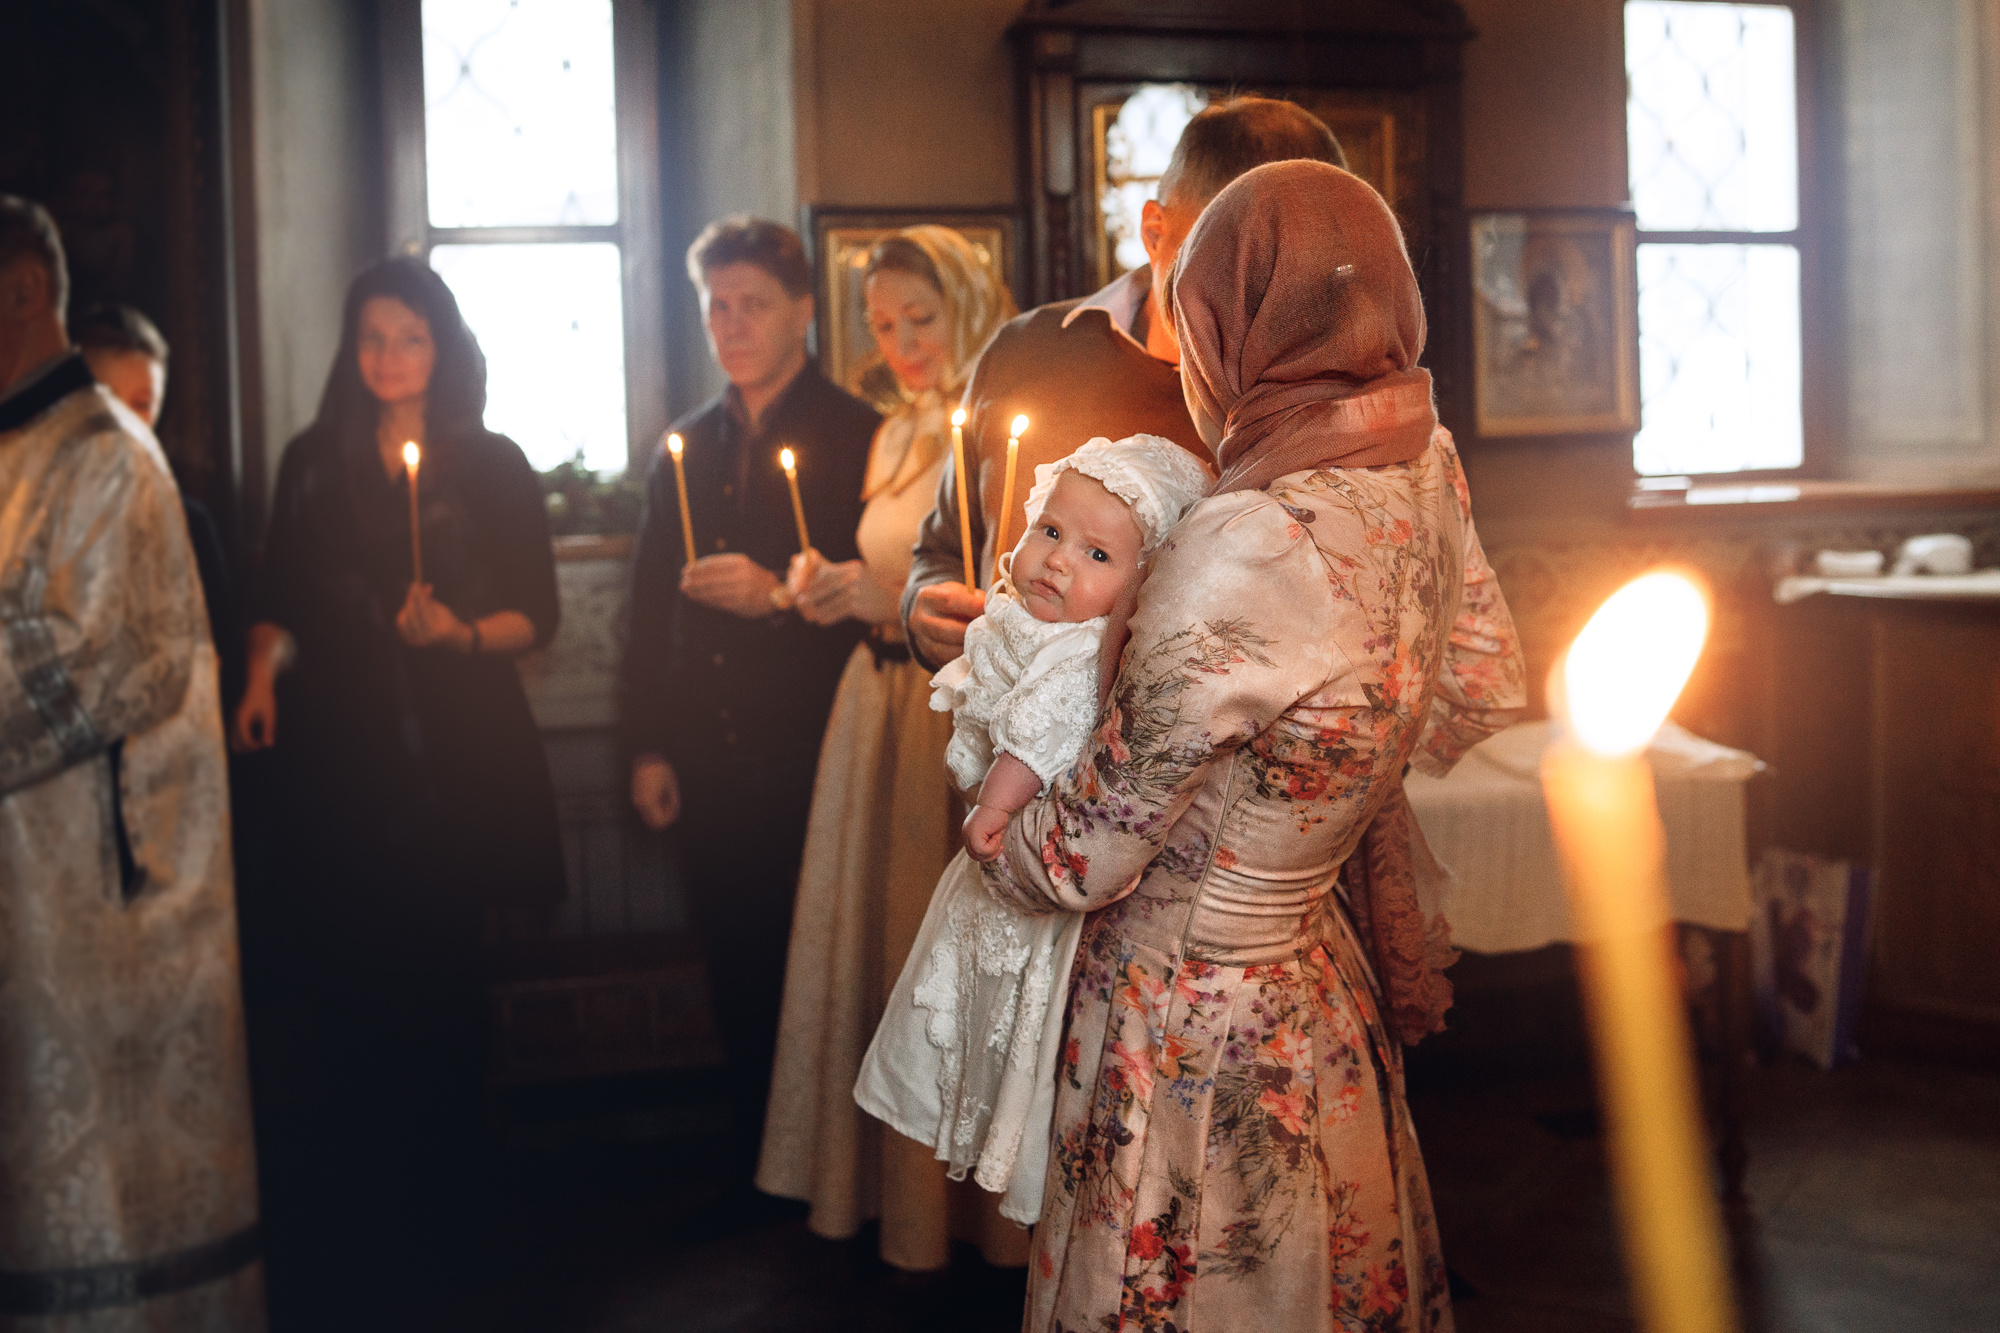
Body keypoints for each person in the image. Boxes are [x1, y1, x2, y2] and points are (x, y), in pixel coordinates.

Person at [982, 161, 1528, 1331]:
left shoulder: (1248, 534)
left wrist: (988, 805)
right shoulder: (1422, 468)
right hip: (1315, 988)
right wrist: (1316, 791)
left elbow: (1086, 854)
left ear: (1231, 327)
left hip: (1191, 1018)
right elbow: (1478, 686)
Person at [236, 256, 563, 1255]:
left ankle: (456, 1192)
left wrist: (458, 633)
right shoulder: (310, 458)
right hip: (342, 752)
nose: (388, 357)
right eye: (372, 338)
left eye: (409, 338)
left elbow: (537, 616)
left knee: (444, 972)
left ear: (443, 348)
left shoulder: (493, 460)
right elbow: (281, 599)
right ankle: (364, 1198)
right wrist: (257, 677)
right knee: (350, 971)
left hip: (456, 751)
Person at [0, 195, 264, 1327]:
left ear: (19, 292)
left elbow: (107, 666)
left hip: (100, 905)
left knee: (107, 1210)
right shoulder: (22, 442)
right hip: (32, 890)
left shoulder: (104, 450)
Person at [857, 435, 1211, 1228]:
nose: (1056, 562)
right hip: (1010, 849)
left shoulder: (1084, 652)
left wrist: (993, 805)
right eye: (1050, 531)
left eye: (1095, 553)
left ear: (1139, 585)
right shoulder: (1028, 621)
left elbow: (1037, 737)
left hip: (1026, 843)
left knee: (1012, 1010)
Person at [754, 227, 1022, 1268]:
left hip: (948, 718)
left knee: (952, 965)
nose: (903, 343)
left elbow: (1012, 587)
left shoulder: (1003, 427)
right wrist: (830, 590)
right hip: (868, 709)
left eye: (922, 318)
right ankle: (891, 1200)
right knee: (883, 957)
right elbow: (887, 573)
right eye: (881, 324)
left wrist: (895, 604)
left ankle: (977, 1224)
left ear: (968, 303)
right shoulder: (890, 432)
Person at [901, 96, 1348, 672]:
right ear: (1155, 230)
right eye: (1225, 264)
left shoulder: (1326, 409)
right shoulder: (1026, 351)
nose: (1251, 306)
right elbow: (941, 545)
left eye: (1286, 274)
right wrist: (924, 605)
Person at [619, 217, 878, 1165]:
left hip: (817, 741)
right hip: (706, 747)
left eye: (752, 304)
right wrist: (645, 745)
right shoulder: (682, 446)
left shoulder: (860, 435)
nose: (730, 324)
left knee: (825, 965)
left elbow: (885, 599)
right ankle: (751, 1166)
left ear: (803, 312)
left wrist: (776, 598)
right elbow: (646, 613)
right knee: (731, 958)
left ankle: (836, 1173)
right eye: (715, 306)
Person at [72, 301, 243, 707]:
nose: (125, 422)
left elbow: (225, 652)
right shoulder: (41, 517)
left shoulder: (190, 522)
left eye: (141, 403)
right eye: (107, 400)